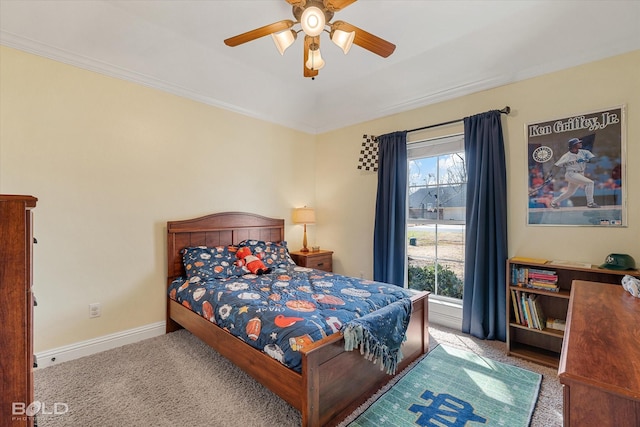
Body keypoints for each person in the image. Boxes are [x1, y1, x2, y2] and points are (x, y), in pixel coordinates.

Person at [550, 138, 599, 208]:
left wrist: (585, 160)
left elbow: (595, 160)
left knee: (570, 192)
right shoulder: (566, 156)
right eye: (578, 143)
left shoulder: (584, 152)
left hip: (580, 174)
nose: (580, 144)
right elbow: (557, 166)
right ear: (573, 145)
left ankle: (553, 202)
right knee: (590, 183)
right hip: (571, 174)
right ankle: (590, 203)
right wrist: (551, 176)